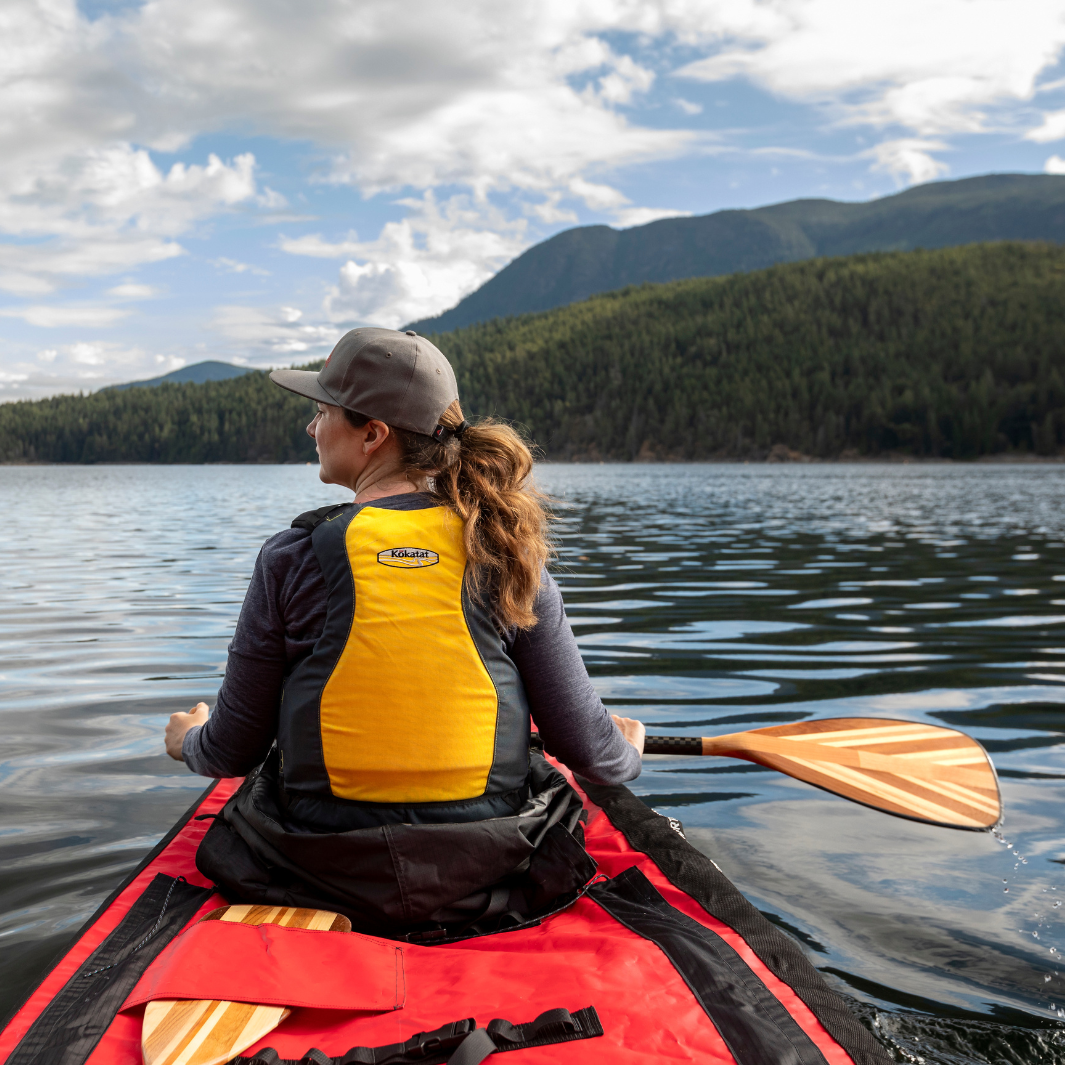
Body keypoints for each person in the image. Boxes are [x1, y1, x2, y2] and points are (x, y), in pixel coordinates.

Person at [163, 326, 645, 939]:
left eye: (320, 412)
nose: (312, 429)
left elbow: (232, 751)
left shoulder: (289, 557)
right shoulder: (503, 550)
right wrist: (626, 746)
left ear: (373, 433)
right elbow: (588, 751)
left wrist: (189, 740)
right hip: (492, 870)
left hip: (317, 868)